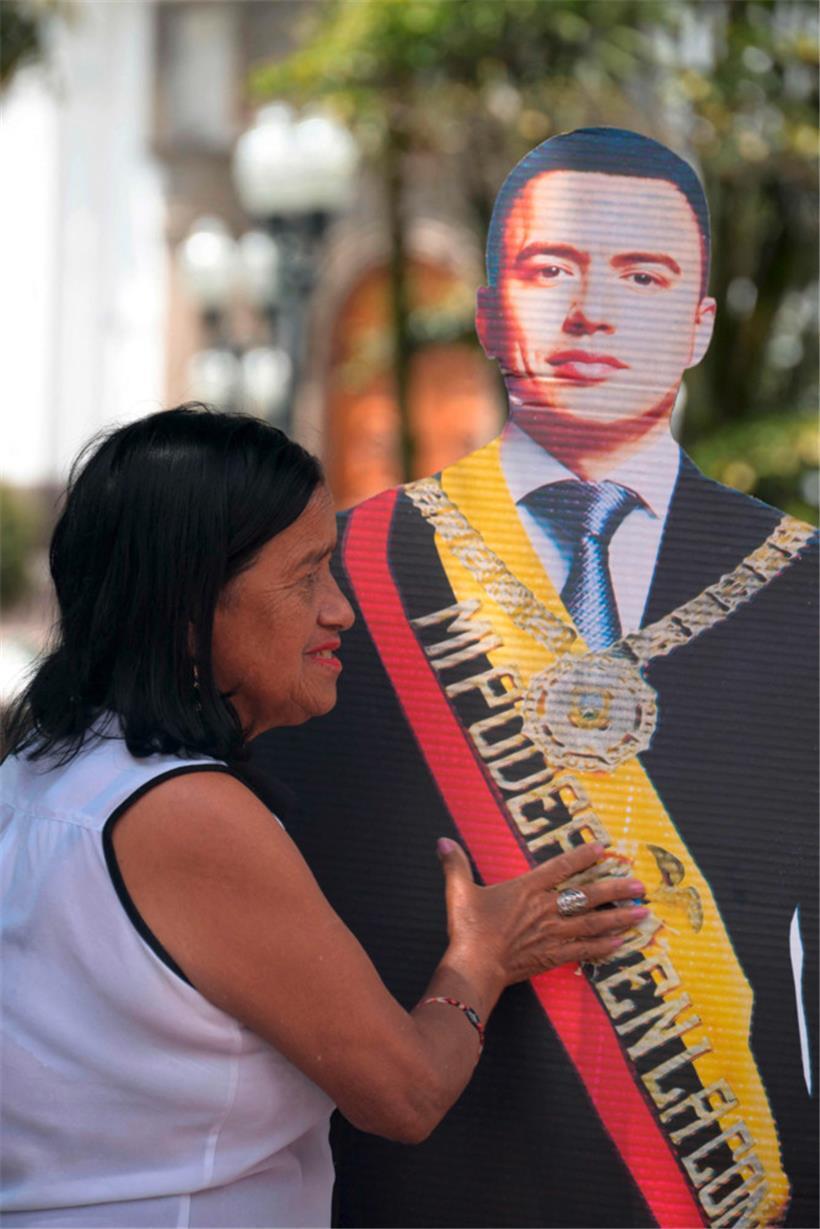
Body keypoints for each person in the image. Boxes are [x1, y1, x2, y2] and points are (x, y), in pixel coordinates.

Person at [251, 129, 819, 1228]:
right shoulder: (344, 571)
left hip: (731, 1192)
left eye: (642, 277)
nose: (589, 311)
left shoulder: (799, 583)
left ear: (700, 322)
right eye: (549, 270)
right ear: (485, 311)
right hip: (415, 1185)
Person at [0, 407, 647, 1228]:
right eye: (307, 577)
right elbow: (406, 1092)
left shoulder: (44, 764)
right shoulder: (184, 811)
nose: (340, 610)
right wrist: (483, 956)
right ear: (191, 604)